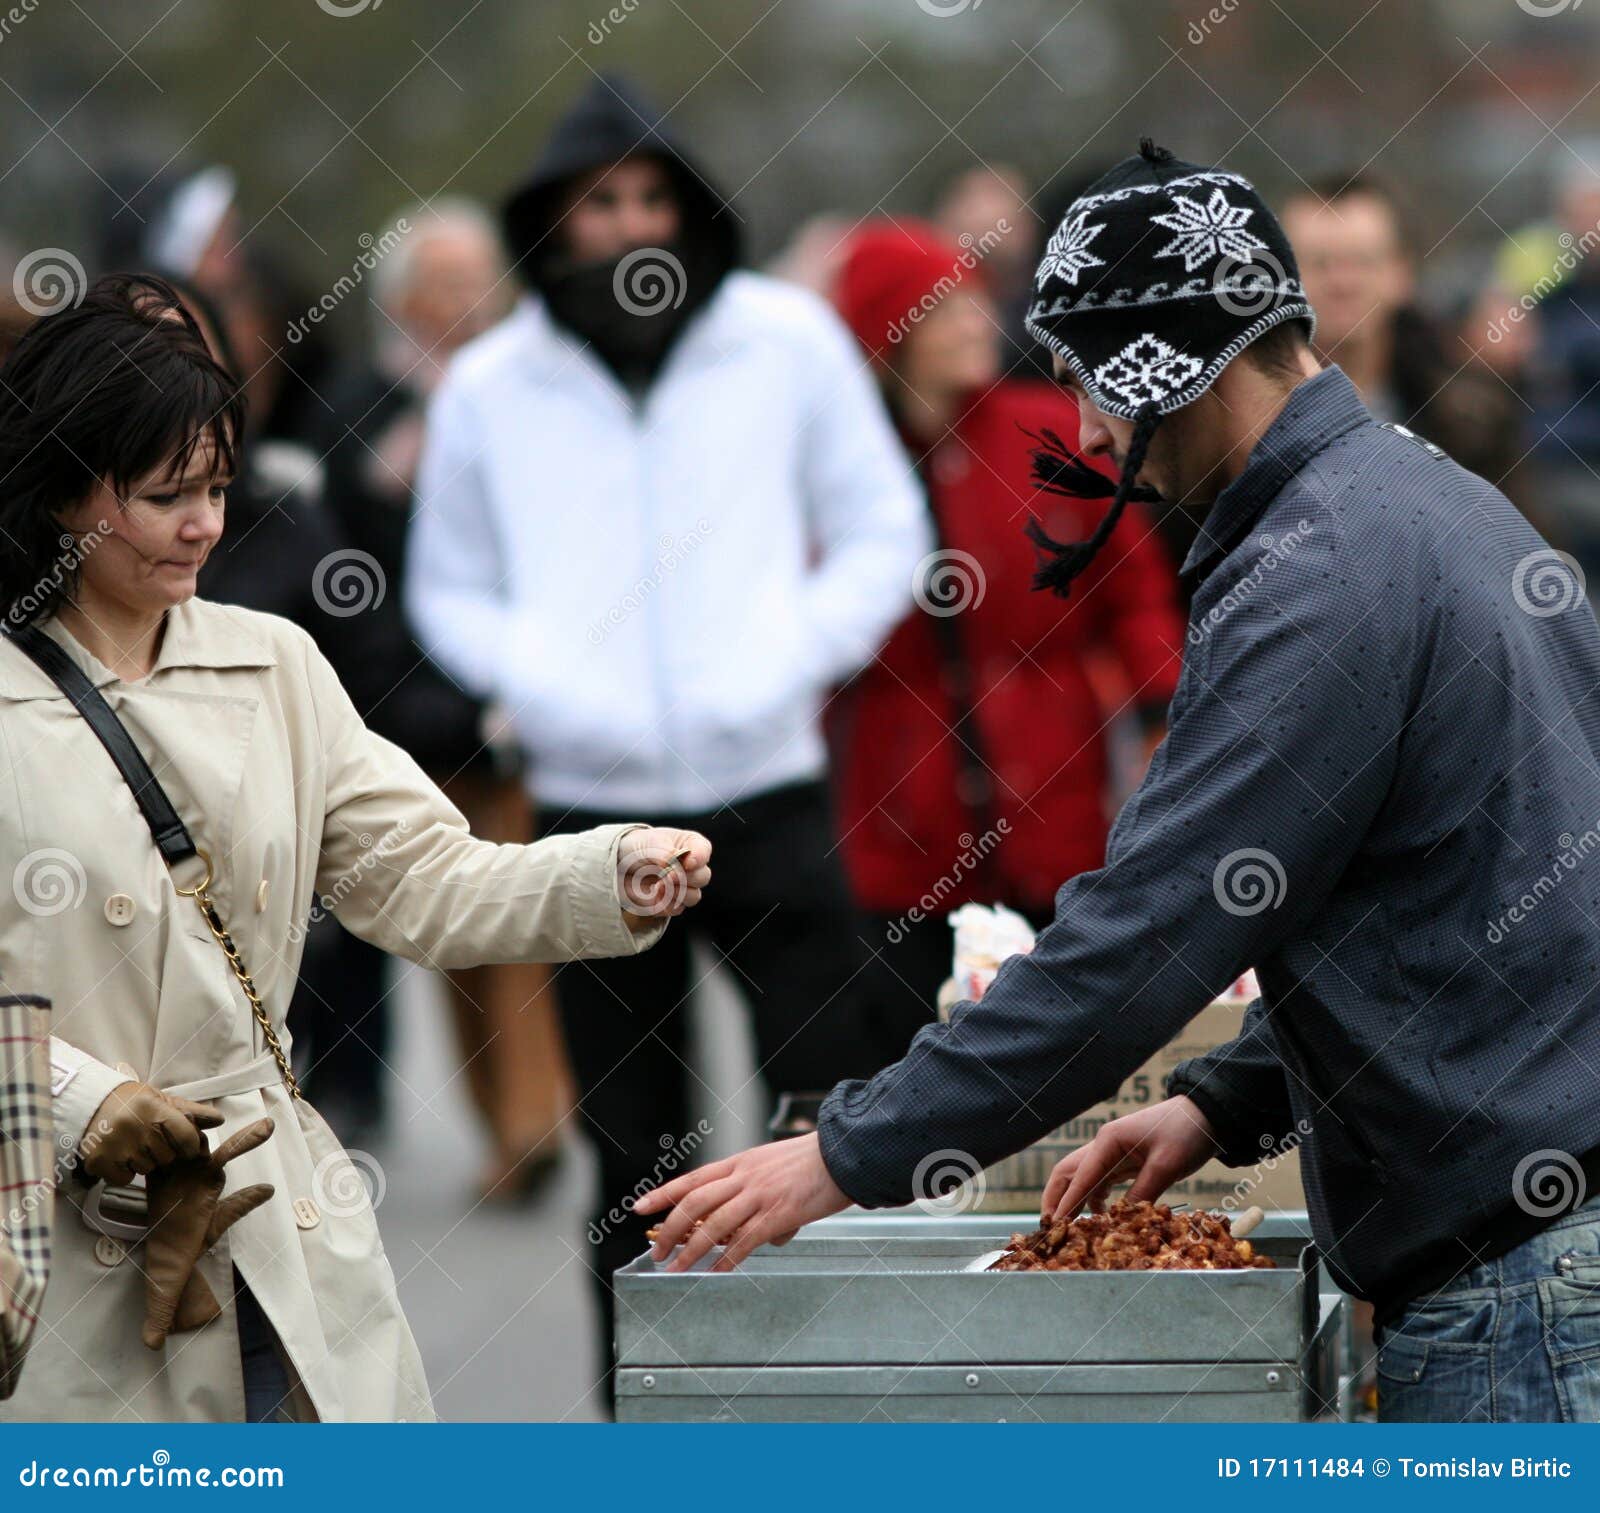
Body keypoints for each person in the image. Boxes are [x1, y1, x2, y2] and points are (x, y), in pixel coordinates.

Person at [640, 143, 1600, 1424]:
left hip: (1519, 1286)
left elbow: (1145, 931)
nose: (1087, 432)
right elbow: (1433, 892)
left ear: (1171, 367)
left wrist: (846, 1151)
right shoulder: (1427, 502)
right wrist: (1226, 1095)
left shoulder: (1315, 576)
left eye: (1094, 382)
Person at [0, 273, 711, 1423]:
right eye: (166, 494)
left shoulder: (272, 663)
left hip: (273, 1221)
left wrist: (607, 870)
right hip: (48, 1254)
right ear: (62, 494)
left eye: (220, 487)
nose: (206, 526)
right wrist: (81, 1098)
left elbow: (424, 876)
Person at [405, 73, 929, 1397]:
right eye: (600, 203)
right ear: (556, 222)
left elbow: (882, 532)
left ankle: (846, 1409)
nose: (630, 224)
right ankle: (649, 1416)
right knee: (630, 1143)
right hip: (591, 819)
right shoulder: (492, 386)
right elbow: (448, 589)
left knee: (831, 1107)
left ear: (689, 212)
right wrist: (547, 689)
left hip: (770, 789)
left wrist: (787, 661)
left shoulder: (785, 341)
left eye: (651, 197)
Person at [829, 220, 1183, 1038]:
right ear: (889, 332)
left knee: (1064, 1038)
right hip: (899, 815)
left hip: (1057, 791)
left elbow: (1133, 589)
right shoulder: (845, 461)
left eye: (974, 300)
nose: (974, 322)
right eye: (942, 306)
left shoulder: (1049, 431)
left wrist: (1165, 705)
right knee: (910, 1046)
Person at [315, 201, 573, 1202]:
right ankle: (507, 1130)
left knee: (514, 914)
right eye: (452, 281)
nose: (477, 299)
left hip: (510, 707)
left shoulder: (527, 396)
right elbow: (344, 572)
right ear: (406, 298)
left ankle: (531, 1119)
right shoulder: (360, 409)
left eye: (485, 278)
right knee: (448, 926)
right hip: (402, 711)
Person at [1280, 173, 1522, 493]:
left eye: (1362, 261)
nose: (1342, 283)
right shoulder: (1239, 423)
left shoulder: (1470, 418)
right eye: (1319, 263)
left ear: (1402, 273)